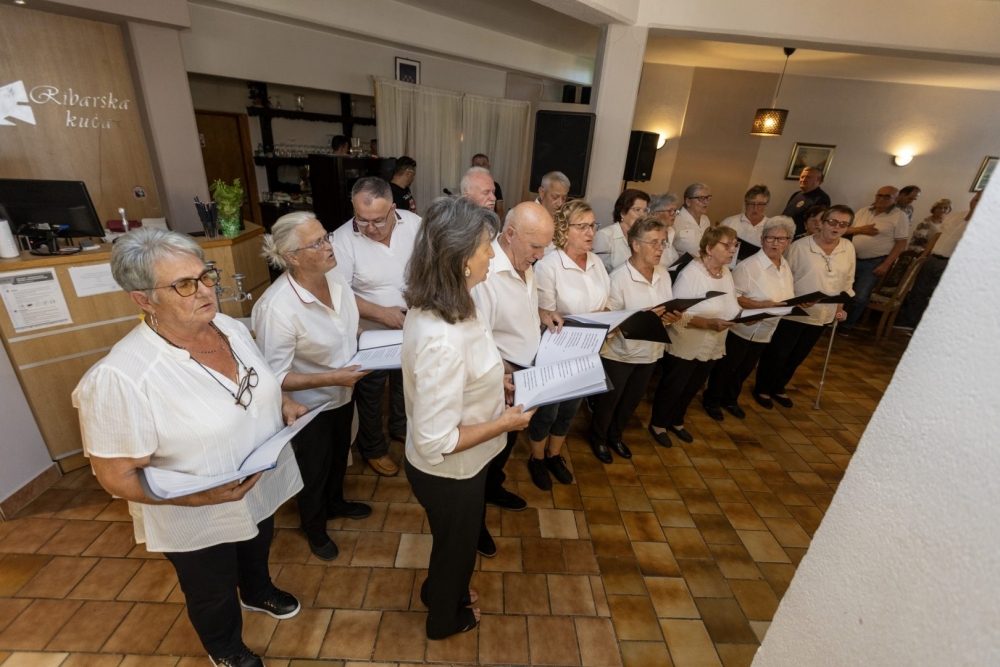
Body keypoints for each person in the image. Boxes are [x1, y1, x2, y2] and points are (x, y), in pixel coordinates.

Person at [73, 228, 305, 667]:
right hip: (194, 510)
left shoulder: (230, 328)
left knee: (257, 540)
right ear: (143, 299)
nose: (205, 290)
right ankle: (226, 649)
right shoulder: (122, 377)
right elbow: (115, 476)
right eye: (184, 284)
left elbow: (255, 389)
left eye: (205, 275)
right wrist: (201, 497)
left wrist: (283, 402)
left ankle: (256, 592)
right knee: (211, 588)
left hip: (255, 480)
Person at [402, 196, 534, 640]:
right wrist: (507, 423)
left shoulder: (457, 300)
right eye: (485, 247)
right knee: (456, 550)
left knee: (454, 546)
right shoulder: (441, 337)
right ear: (459, 259)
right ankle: (445, 617)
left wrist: (499, 385)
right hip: (450, 471)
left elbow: (472, 366)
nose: (492, 254)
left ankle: (441, 592)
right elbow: (435, 440)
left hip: (469, 463)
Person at [252, 212, 372, 562]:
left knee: (338, 454)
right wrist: (333, 378)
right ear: (292, 257)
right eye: (317, 243)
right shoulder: (277, 308)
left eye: (326, 236)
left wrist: (376, 344)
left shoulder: (333, 279)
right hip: (307, 406)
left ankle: (336, 503)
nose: (328, 246)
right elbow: (274, 378)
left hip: (342, 391)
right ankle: (315, 527)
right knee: (313, 468)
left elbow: (347, 328)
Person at [471, 202, 560, 546]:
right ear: (509, 235)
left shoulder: (525, 261)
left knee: (504, 446)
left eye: (544, 247)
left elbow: (519, 307)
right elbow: (478, 339)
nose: (540, 255)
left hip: (523, 372)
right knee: (484, 454)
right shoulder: (486, 273)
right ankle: (474, 523)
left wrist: (542, 312)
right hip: (498, 378)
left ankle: (493, 489)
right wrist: (507, 372)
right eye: (535, 246)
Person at [332, 177, 422, 477]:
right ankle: (373, 447)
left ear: (394, 210)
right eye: (362, 220)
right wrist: (382, 314)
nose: (370, 228)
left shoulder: (414, 224)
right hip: (368, 328)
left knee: (405, 380)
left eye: (378, 221)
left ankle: (400, 426)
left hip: (412, 320)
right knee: (371, 389)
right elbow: (339, 292)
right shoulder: (343, 239)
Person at [591, 216, 682, 460]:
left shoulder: (663, 274)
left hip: (650, 352)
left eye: (663, 243)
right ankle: (598, 438)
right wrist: (642, 318)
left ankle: (616, 436)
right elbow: (610, 321)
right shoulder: (619, 278)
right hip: (620, 353)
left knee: (631, 401)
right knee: (609, 400)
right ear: (636, 245)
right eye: (654, 243)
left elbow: (664, 309)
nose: (660, 249)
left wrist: (670, 317)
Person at [533, 200, 611, 471]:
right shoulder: (549, 264)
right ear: (565, 230)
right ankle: (538, 459)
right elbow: (543, 312)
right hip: (557, 351)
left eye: (593, 225)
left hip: (587, 351)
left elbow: (607, 300)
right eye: (582, 226)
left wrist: (609, 315)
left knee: (569, 411)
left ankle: (554, 455)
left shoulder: (597, 262)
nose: (590, 232)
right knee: (548, 412)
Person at [753, 205, 856, 409]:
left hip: (824, 313)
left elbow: (847, 282)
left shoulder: (848, 248)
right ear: (823, 222)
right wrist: (793, 300)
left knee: (799, 354)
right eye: (833, 222)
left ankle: (779, 386)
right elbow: (782, 277)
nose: (837, 228)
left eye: (843, 224)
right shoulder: (800, 247)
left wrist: (840, 308)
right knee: (779, 352)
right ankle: (763, 388)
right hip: (796, 311)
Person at [648, 226, 740, 447]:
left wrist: (744, 317)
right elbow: (676, 312)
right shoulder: (692, 273)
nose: (732, 250)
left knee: (693, 385)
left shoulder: (725, 272)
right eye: (726, 245)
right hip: (687, 342)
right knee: (674, 385)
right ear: (709, 248)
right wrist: (707, 323)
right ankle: (659, 424)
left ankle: (677, 421)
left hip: (713, 341)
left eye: (735, 245)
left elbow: (731, 303)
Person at [702, 217, 796, 420]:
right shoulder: (750, 266)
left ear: (789, 242)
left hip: (766, 329)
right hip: (743, 327)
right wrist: (761, 305)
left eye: (781, 239)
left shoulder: (785, 265)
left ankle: (730, 399)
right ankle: (712, 400)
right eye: (771, 238)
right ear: (762, 239)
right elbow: (733, 296)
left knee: (745, 368)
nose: (775, 243)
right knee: (728, 367)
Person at [896, 192, 981, 330]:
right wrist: (924, 255)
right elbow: (936, 237)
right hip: (933, 258)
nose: (977, 202)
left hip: (952, 264)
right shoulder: (955, 216)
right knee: (918, 291)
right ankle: (909, 322)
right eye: (976, 199)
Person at [841, 186, 909, 331]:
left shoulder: (899, 216)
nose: (881, 199)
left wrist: (886, 264)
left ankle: (846, 326)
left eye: (887, 196)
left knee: (860, 296)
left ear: (895, 199)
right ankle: (833, 320)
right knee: (842, 291)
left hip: (874, 261)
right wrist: (860, 229)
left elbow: (901, 243)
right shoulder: (863, 211)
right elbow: (844, 229)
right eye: (879, 195)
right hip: (851, 258)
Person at [593, 188, 651, 273]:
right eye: (637, 210)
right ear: (623, 212)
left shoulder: (644, 236)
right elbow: (597, 271)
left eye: (645, 210)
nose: (642, 215)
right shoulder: (605, 235)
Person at [781, 166, 831, 236]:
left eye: (808, 177)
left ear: (819, 180)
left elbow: (816, 226)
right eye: (802, 177)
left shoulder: (821, 198)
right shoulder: (796, 194)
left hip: (799, 239)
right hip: (784, 234)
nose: (803, 180)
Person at [722, 184, 771, 250]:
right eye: (752, 203)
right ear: (746, 203)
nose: (755, 208)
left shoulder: (771, 227)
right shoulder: (728, 223)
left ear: (766, 204)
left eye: (760, 204)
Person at [673, 183, 713, 258]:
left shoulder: (706, 220)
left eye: (708, 198)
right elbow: (667, 250)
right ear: (688, 202)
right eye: (701, 198)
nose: (706, 202)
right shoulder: (676, 220)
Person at [648, 192, 681, 268]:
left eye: (675, 211)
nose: (674, 214)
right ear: (655, 214)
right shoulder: (650, 235)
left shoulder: (671, 231)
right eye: (670, 211)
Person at [472, 153, 505, 219]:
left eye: (484, 164)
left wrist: (493, 224)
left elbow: (500, 210)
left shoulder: (495, 185)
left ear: (488, 167)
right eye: (478, 164)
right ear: (473, 167)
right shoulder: (469, 185)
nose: (481, 167)